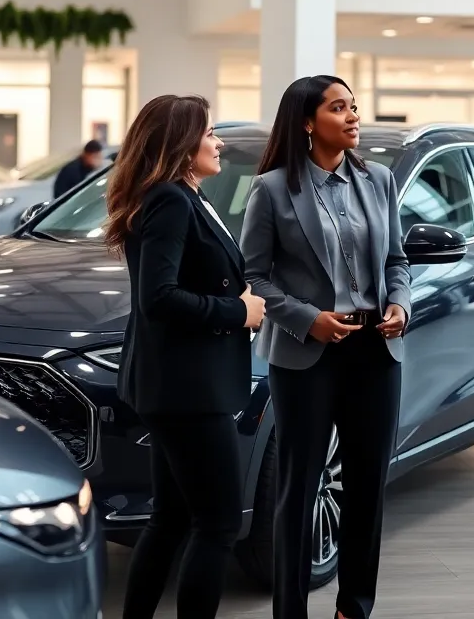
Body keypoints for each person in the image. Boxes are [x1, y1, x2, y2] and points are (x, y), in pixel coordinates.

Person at [240, 75, 412, 619]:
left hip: (375, 352)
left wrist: (401, 305)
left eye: (354, 106)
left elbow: (397, 263)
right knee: (299, 486)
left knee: (367, 486)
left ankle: (354, 607)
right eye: (340, 108)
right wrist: (307, 319)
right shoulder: (271, 189)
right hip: (305, 354)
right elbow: (253, 278)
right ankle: (289, 611)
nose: (354, 116)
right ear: (309, 122)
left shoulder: (380, 180)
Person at [105, 94, 266, 619]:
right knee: (218, 523)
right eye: (210, 132)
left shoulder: (179, 196)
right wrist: (235, 312)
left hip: (177, 384)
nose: (218, 142)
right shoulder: (171, 200)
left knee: (171, 517)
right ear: (181, 143)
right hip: (188, 389)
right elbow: (159, 297)